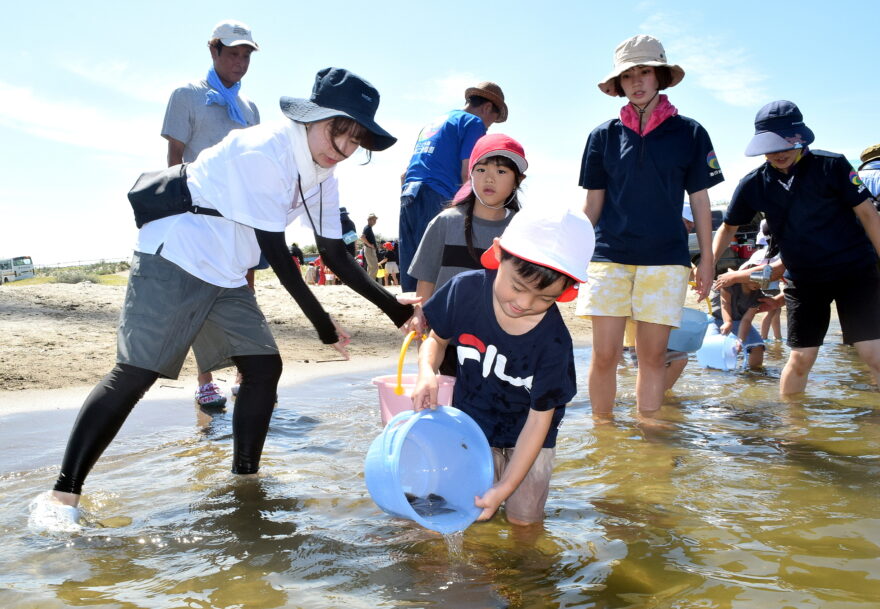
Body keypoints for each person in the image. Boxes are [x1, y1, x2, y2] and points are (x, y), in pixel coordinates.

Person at [29, 67, 416, 532]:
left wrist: (397, 310)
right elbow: (277, 253)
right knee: (135, 374)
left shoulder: (323, 171)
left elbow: (333, 251)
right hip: (178, 252)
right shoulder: (264, 150)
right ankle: (62, 493)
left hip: (227, 272)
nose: (345, 149)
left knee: (262, 367)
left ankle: (245, 483)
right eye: (339, 132)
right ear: (313, 118)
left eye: (357, 141)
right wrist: (324, 326)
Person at [411, 206, 595, 526]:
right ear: (498, 253)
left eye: (544, 298)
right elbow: (436, 340)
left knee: (524, 521)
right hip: (473, 428)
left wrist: (507, 485)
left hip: (530, 439)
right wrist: (427, 373)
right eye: (519, 287)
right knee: (461, 508)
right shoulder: (464, 291)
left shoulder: (554, 343)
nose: (524, 304)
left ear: (565, 293)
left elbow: (539, 422)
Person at [575, 34, 723, 419]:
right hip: (608, 257)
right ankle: (603, 435)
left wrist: (707, 260)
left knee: (652, 356)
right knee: (604, 354)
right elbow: (592, 205)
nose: (637, 82)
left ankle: (650, 440)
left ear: (659, 76)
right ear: (619, 84)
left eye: (645, 72)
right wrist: (569, 253)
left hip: (667, 259)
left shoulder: (690, 133)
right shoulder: (601, 136)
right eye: (628, 76)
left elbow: (701, 201)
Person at [712, 100, 880, 395]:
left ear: (801, 138)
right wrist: (706, 266)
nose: (779, 153)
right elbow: (728, 227)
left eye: (785, 143)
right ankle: (791, 431)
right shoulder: (754, 184)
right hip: (804, 278)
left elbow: (868, 214)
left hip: (855, 271)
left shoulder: (832, 165)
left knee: (873, 353)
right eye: (771, 146)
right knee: (802, 358)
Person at [161, 19, 261, 410]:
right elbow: (174, 158)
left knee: (244, 294)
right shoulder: (187, 94)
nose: (239, 62)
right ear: (213, 50)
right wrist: (175, 210)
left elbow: (253, 163)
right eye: (232, 53)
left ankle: (243, 371)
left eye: (245, 55)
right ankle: (204, 380)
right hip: (199, 213)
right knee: (201, 296)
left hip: (240, 216)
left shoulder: (250, 108)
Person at [407, 133, 526, 373]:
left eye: (501, 172)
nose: (489, 178)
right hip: (447, 341)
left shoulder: (521, 228)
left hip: (500, 343)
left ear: (517, 180)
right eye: (481, 170)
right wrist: (419, 316)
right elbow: (426, 280)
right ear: (470, 175)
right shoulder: (446, 222)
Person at [398, 82, 508, 291]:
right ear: (487, 108)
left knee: (413, 267)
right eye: (491, 123)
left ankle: (413, 319)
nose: (487, 128)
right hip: (438, 194)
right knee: (438, 267)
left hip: (409, 195)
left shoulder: (435, 123)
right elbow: (468, 172)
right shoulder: (473, 122)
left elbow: (404, 174)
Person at [708, 262, 766, 369]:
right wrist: (728, 322)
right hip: (718, 319)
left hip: (740, 321)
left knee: (757, 347)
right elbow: (725, 303)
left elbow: (747, 320)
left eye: (762, 281)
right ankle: (714, 374)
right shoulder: (728, 283)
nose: (758, 284)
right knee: (713, 348)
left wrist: (740, 340)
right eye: (756, 279)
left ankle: (755, 373)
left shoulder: (757, 295)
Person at [361, 213, 380, 280]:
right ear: (369, 220)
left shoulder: (368, 228)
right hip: (369, 249)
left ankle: (369, 283)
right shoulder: (367, 228)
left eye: (375, 220)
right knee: (374, 267)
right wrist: (369, 245)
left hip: (369, 249)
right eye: (373, 220)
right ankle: (372, 284)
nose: (375, 221)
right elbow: (362, 237)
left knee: (371, 267)